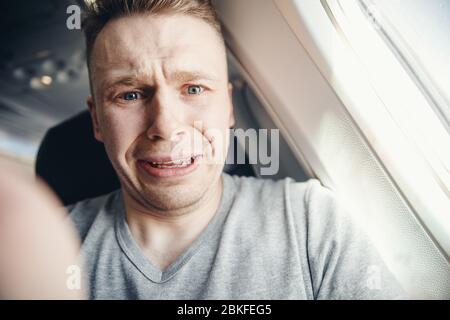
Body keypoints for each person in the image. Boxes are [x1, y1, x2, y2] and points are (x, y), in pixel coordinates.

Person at [0, 0, 406, 299]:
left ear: (228, 106)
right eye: (130, 95)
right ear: (96, 121)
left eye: (194, 88)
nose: (166, 127)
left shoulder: (312, 224)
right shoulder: (39, 249)